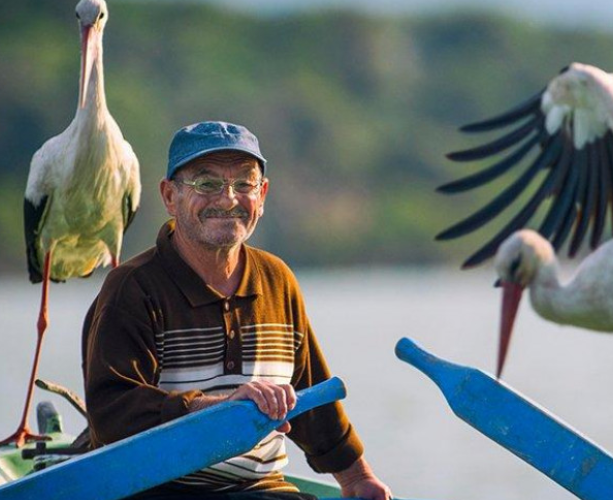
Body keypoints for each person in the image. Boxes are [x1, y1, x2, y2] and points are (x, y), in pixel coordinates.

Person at [83, 121, 392, 500]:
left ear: (261, 195)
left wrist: (358, 478)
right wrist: (216, 409)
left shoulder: (277, 280)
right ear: (169, 196)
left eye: (244, 184)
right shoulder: (134, 289)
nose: (228, 199)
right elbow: (111, 414)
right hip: (157, 492)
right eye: (207, 184)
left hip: (262, 490)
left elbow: (311, 400)